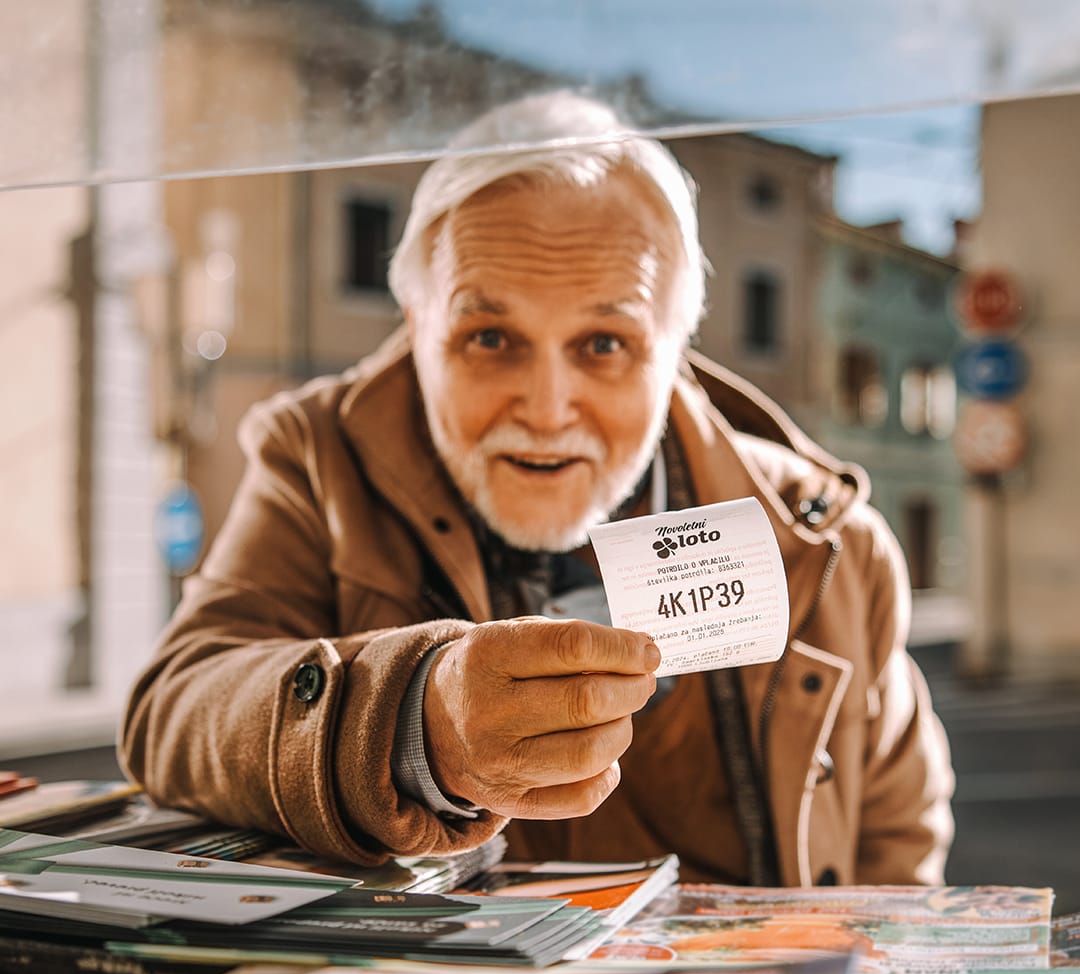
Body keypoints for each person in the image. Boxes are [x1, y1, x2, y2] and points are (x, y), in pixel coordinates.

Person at [121, 91, 954, 887]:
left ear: (676, 346)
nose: (548, 409)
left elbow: (898, 856)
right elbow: (174, 710)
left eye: (603, 342)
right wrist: (407, 722)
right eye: (489, 336)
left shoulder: (826, 544)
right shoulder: (321, 460)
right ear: (417, 328)